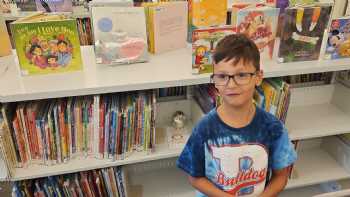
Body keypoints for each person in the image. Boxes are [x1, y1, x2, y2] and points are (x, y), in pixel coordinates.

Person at [177, 34, 297, 197]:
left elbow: (281, 176)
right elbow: (195, 177)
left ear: (258, 77)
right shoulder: (204, 128)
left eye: (241, 75)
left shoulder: (273, 128)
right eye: (222, 76)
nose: (231, 84)